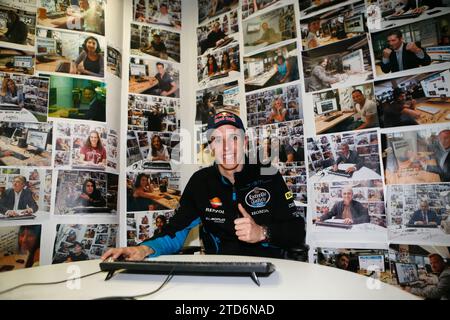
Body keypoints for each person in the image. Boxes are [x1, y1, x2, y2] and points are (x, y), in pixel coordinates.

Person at [102, 111, 305, 261]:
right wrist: (143, 249)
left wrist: (262, 232)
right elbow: (176, 231)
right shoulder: (201, 182)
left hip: (271, 270)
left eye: (233, 137)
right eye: (217, 140)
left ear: (244, 142)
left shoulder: (268, 174)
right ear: (211, 147)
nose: (226, 147)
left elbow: (296, 230)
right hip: (219, 275)